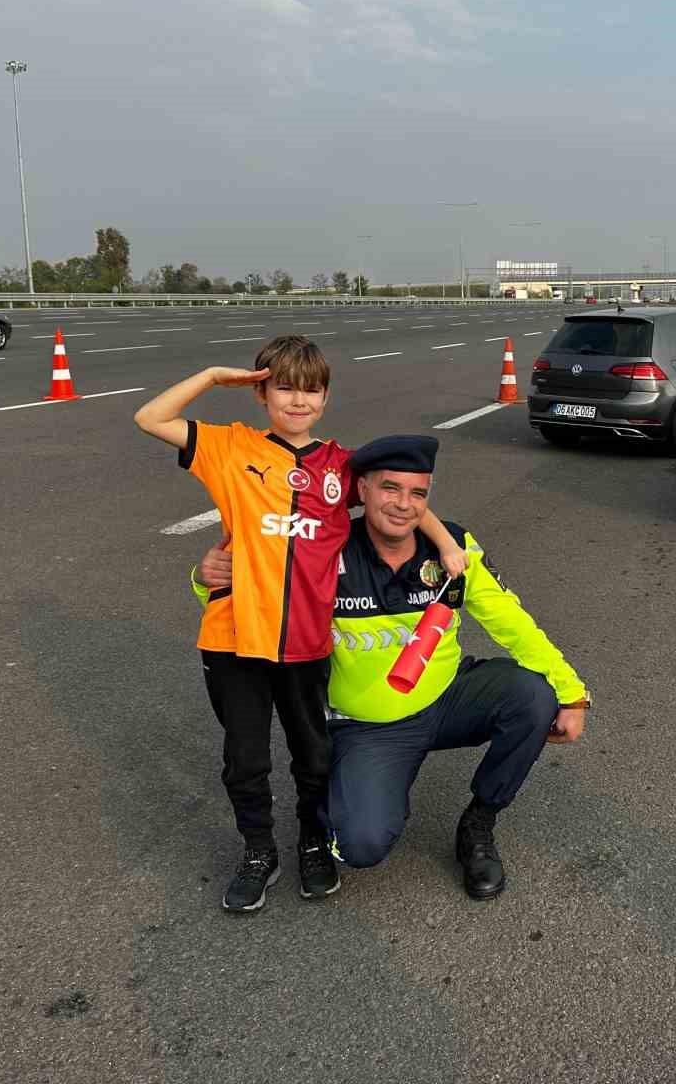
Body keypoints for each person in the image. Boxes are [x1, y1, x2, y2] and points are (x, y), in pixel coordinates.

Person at [134, 337, 465, 913]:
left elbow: (404, 495)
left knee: (313, 755)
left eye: (310, 389)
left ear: (326, 397)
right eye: (284, 386)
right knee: (246, 759)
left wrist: (442, 543)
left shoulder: (343, 464)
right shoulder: (229, 447)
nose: (298, 400)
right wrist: (214, 375)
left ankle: (313, 839)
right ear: (260, 391)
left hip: (310, 641)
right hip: (234, 637)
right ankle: (259, 851)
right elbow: (150, 417)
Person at [193, 435, 590, 901]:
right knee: (360, 845)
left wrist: (573, 693)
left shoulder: (453, 550)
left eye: (417, 494)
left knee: (535, 696)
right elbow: (257, 594)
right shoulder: (324, 549)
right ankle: (357, 797)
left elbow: (512, 622)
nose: (403, 505)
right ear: (361, 490)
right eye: (390, 489)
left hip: (445, 697)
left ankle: (479, 824)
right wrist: (204, 579)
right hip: (369, 728)